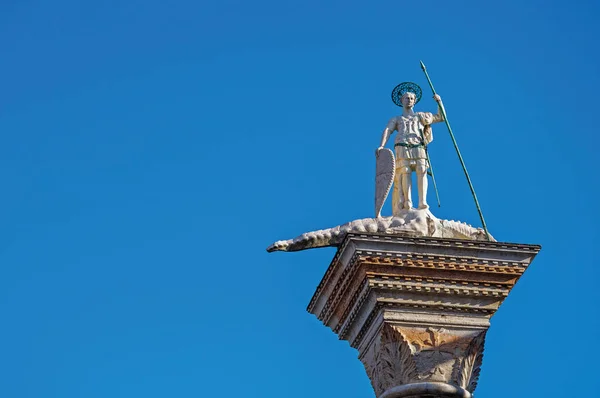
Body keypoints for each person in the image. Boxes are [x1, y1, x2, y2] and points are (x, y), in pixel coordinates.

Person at [377, 90, 444, 212]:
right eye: (406, 98)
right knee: (405, 172)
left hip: (418, 145)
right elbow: (388, 130)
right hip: (402, 146)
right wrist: (381, 146)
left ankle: (422, 202)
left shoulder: (421, 116)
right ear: (401, 101)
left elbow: (440, 117)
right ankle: (407, 203)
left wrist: (439, 102)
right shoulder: (397, 119)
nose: (409, 100)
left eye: (411, 98)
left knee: (422, 170)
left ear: (414, 101)